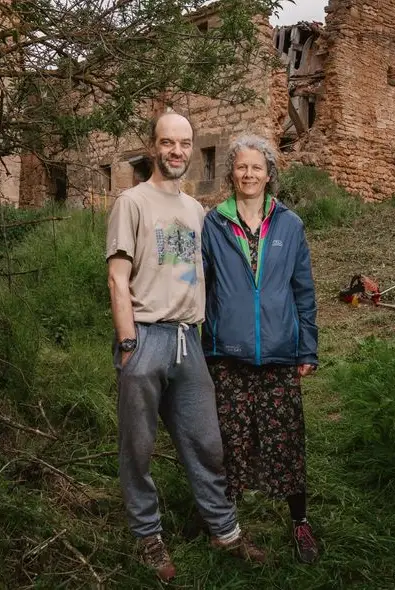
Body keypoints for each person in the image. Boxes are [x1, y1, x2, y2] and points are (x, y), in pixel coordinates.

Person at [105, 112, 267, 582]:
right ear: (153, 146)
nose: (176, 151)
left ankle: (224, 529)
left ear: (192, 148)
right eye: (167, 142)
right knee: (138, 447)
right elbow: (117, 278)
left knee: (207, 442)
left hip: (187, 341)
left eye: (184, 143)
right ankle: (148, 536)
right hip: (145, 336)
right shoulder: (131, 202)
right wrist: (129, 342)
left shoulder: (197, 211)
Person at [200, 133, 320, 564]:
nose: (248, 174)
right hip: (226, 354)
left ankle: (300, 522)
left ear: (270, 174)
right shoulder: (212, 224)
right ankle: (227, 526)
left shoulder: (290, 224)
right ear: (231, 173)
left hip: (278, 352)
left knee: (286, 438)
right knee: (228, 440)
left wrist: (307, 348)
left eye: (257, 167)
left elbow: (303, 292)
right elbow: (200, 285)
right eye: (241, 167)